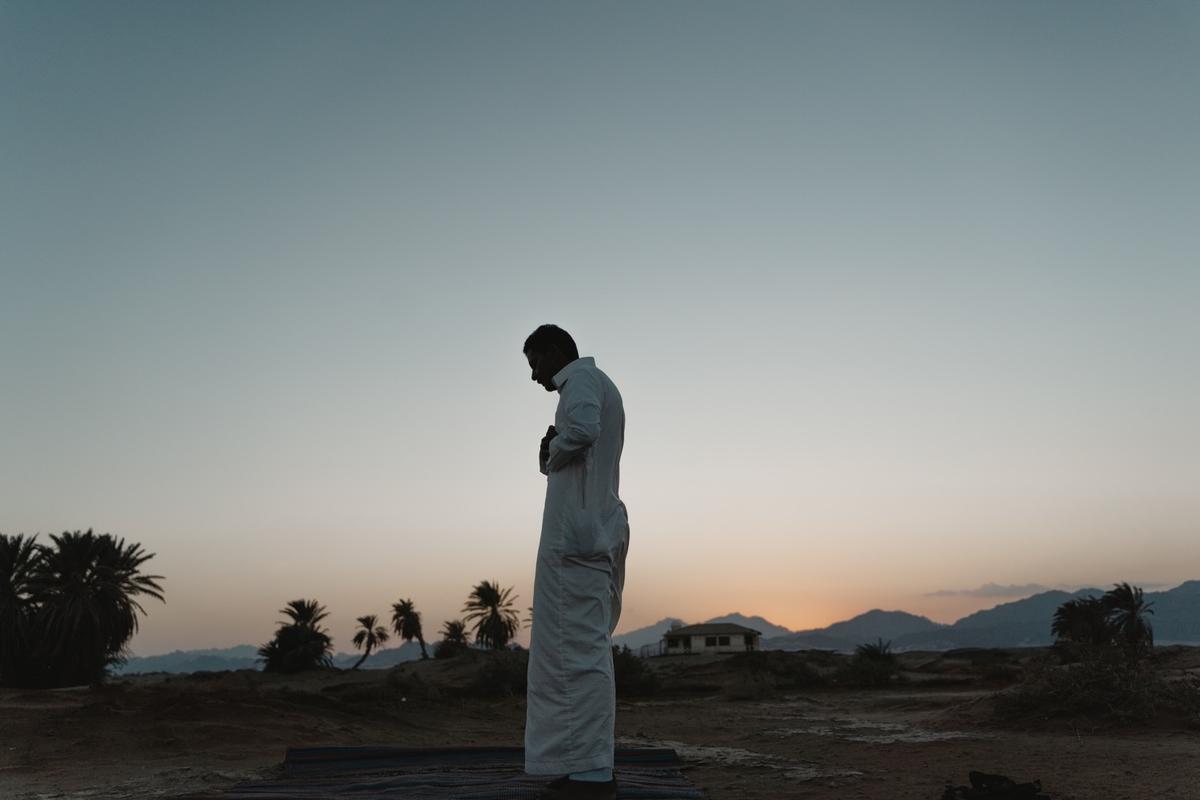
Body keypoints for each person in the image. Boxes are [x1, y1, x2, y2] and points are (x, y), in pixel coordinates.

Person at [523, 324, 629, 800]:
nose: (533, 375)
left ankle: (591, 773)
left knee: (578, 654)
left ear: (554, 351)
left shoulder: (581, 382)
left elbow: (583, 431)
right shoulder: (590, 385)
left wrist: (553, 448)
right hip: (584, 535)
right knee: (572, 652)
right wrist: (554, 451)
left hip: (577, 540)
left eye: (534, 362)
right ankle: (583, 763)